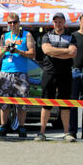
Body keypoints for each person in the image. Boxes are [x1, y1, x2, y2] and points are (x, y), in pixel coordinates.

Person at [34, 13, 78, 142]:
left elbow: (73, 53)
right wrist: (65, 52)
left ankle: (66, 133)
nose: (57, 24)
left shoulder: (71, 36)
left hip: (65, 73)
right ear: (53, 23)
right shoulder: (47, 35)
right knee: (46, 102)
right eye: (55, 22)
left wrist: (55, 52)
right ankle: (41, 133)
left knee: (65, 103)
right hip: (49, 72)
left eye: (60, 21)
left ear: (64, 22)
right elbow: (46, 50)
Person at [0, 12, 36, 138]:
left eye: (14, 22)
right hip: (5, 71)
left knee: (22, 102)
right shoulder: (4, 36)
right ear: (7, 24)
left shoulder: (26, 35)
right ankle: (3, 126)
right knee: (4, 101)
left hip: (20, 72)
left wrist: (18, 51)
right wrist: (5, 49)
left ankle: (21, 126)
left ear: (19, 23)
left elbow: (32, 53)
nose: (12, 25)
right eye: (10, 22)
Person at [69, 12, 83, 139]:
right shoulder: (72, 37)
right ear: (79, 22)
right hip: (74, 72)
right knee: (72, 104)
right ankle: (72, 131)